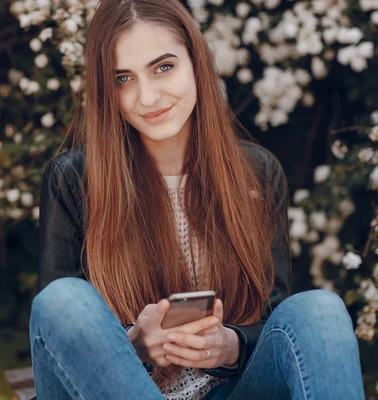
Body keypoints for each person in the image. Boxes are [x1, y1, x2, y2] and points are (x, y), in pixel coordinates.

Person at [29, 0, 365, 399]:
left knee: (319, 312)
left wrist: (230, 345)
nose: (148, 97)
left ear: (196, 62)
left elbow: (272, 318)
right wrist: (133, 345)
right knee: (63, 301)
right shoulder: (74, 180)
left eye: (163, 67)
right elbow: (62, 336)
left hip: (229, 390)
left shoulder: (256, 173)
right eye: (123, 79)